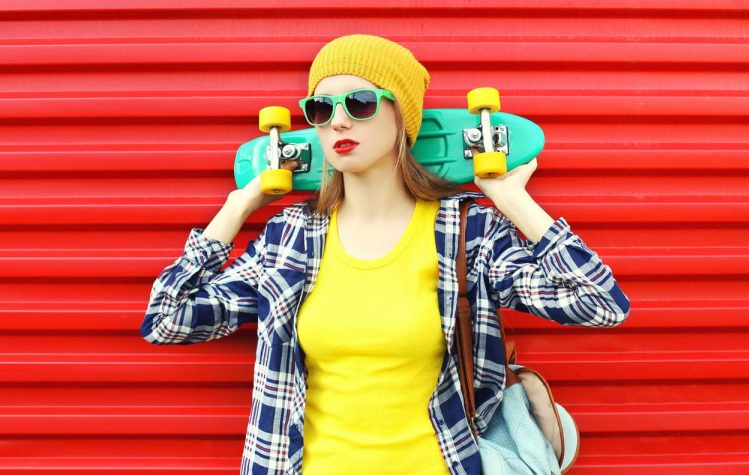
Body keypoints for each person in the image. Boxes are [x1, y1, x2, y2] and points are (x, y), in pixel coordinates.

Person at [140, 34, 631, 475]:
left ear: (405, 116)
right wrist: (239, 204)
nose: (337, 121)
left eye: (359, 103)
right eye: (320, 109)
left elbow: (600, 303)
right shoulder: (289, 238)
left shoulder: (465, 233)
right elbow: (167, 318)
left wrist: (511, 199)